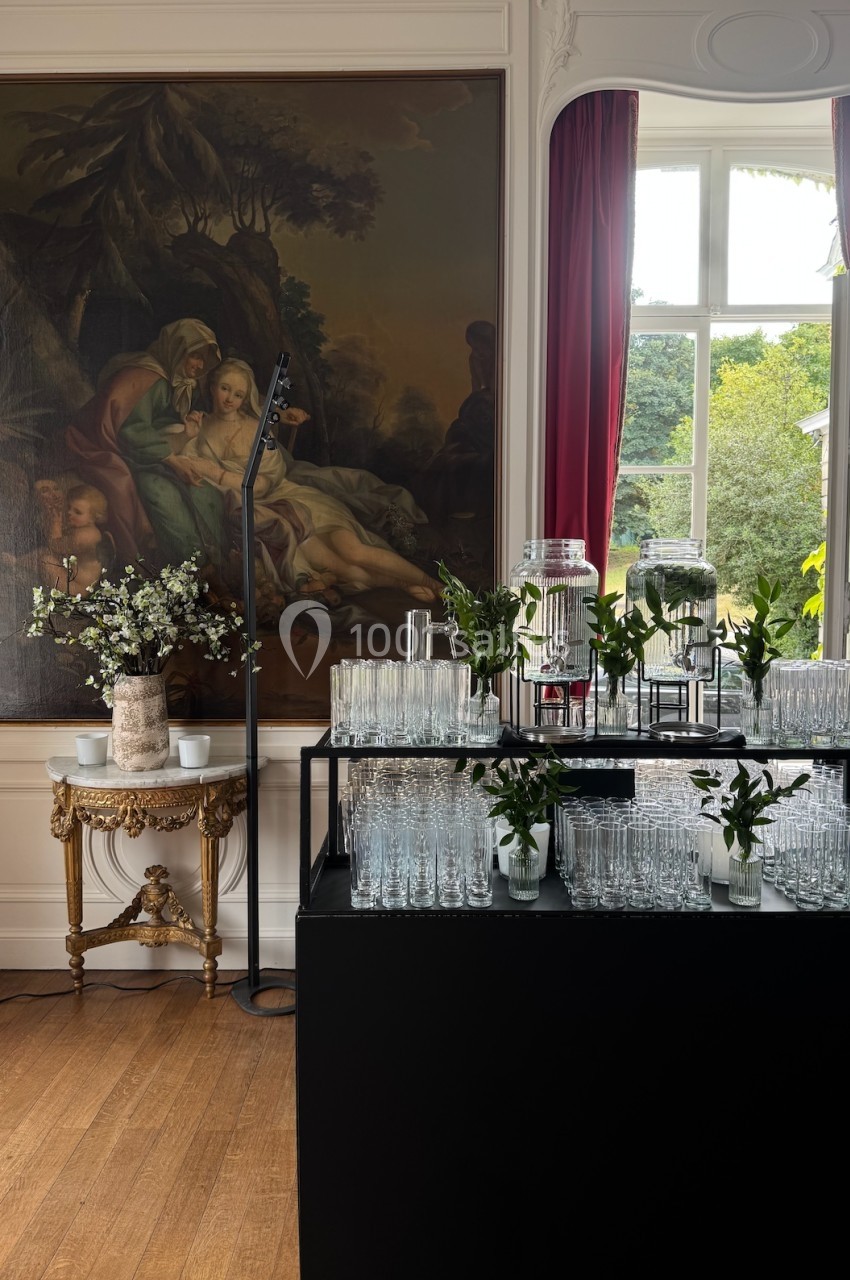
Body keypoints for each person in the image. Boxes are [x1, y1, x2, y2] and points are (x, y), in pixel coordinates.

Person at [182, 359, 441, 602]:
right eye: (225, 388)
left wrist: (218, 473)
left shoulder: (257, 428)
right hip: (270, 513)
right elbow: (188, 463)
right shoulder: (198, 427)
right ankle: (400, 585)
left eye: (238, 394)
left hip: (292, 500)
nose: (230, 399)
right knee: (342, 568)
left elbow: (266, 481)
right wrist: (189, 437)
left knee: (353, 550)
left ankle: (436, 585)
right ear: (212, 386)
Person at [65, 318, 225, 569]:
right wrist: (173, 462)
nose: (199, 365)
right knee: (154, 492)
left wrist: (185, 436)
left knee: (203, 490)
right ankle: (187, 569)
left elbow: (155, 430)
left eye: (204, 359)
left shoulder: (175, 382)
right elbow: (130, 430)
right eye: (195, 356)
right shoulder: (149, 377)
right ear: (176, 349)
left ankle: (219, 562)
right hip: (101, 444)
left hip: (143, 450)